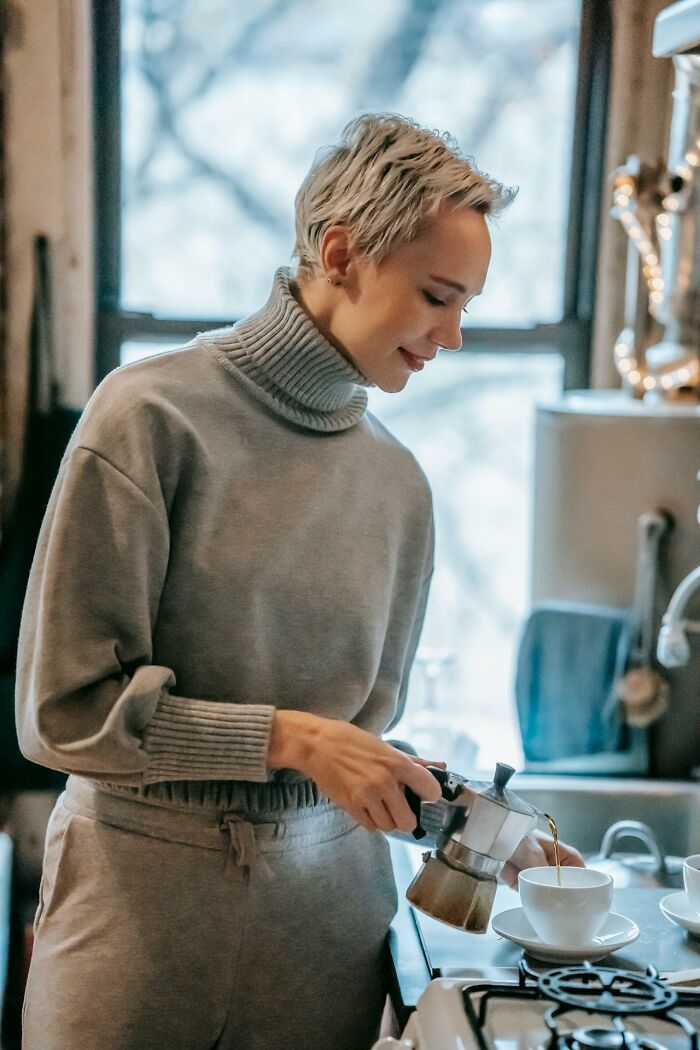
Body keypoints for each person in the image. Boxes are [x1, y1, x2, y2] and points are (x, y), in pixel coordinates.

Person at [16, 112, 583, 1050]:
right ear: (341, 252)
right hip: (138, 920)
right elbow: (63, 714)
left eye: (467, 308)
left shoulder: (399, 485)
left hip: (328, 939)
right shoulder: (148, 418)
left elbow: (354, 751)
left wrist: (479, 827)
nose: (453, 336)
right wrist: (290, 737)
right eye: (437, 295)